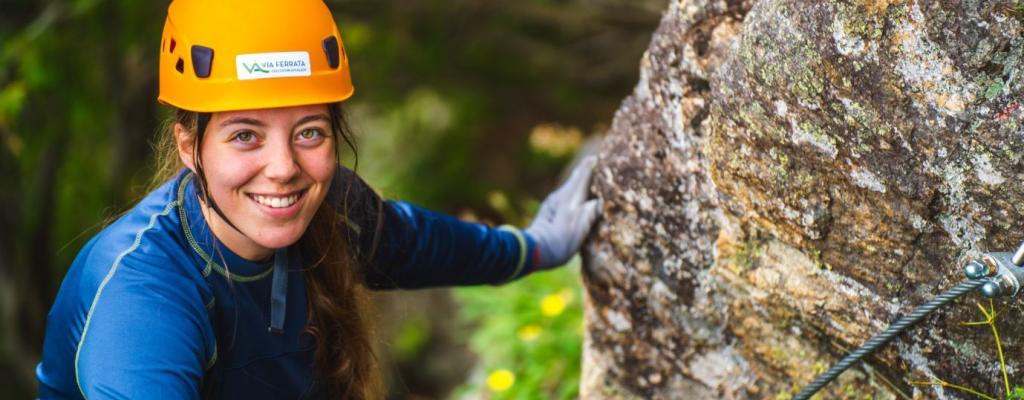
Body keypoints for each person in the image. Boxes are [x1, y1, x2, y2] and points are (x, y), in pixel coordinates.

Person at [34, 0, 602, 398]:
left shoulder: (333, 212)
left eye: (309, 131)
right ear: (189, 145)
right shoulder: (142, 301)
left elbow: (422, 244)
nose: (283, 169)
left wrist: (536, 247)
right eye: (245, 135)